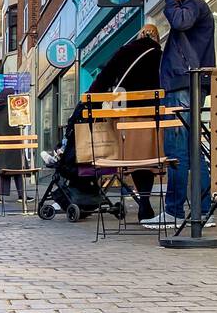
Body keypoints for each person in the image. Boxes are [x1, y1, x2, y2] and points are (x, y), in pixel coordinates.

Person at [48, 24, 163, 224]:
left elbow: (104, 78)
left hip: (125, 116)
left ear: (140, 34)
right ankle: (144, 203)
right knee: (144, 159)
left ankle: (88, 190)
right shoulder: (161, 54)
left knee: (129, 158)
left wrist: (87, 104)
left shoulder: (126, 51)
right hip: (152, 116)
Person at [146, 0, 216, 229]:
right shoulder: (188, 5)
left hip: (185, 84)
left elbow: (180, 21)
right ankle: (202, 210)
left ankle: (176, 210)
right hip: (184, 84)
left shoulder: (193, 6)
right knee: (190, 150)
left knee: (178, 149)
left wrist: (171, 2)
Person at [0, 89, 24, 204]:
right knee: (19, 167)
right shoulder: (12, 108)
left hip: (1, 145)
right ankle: (21, 195)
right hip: (14, 144)